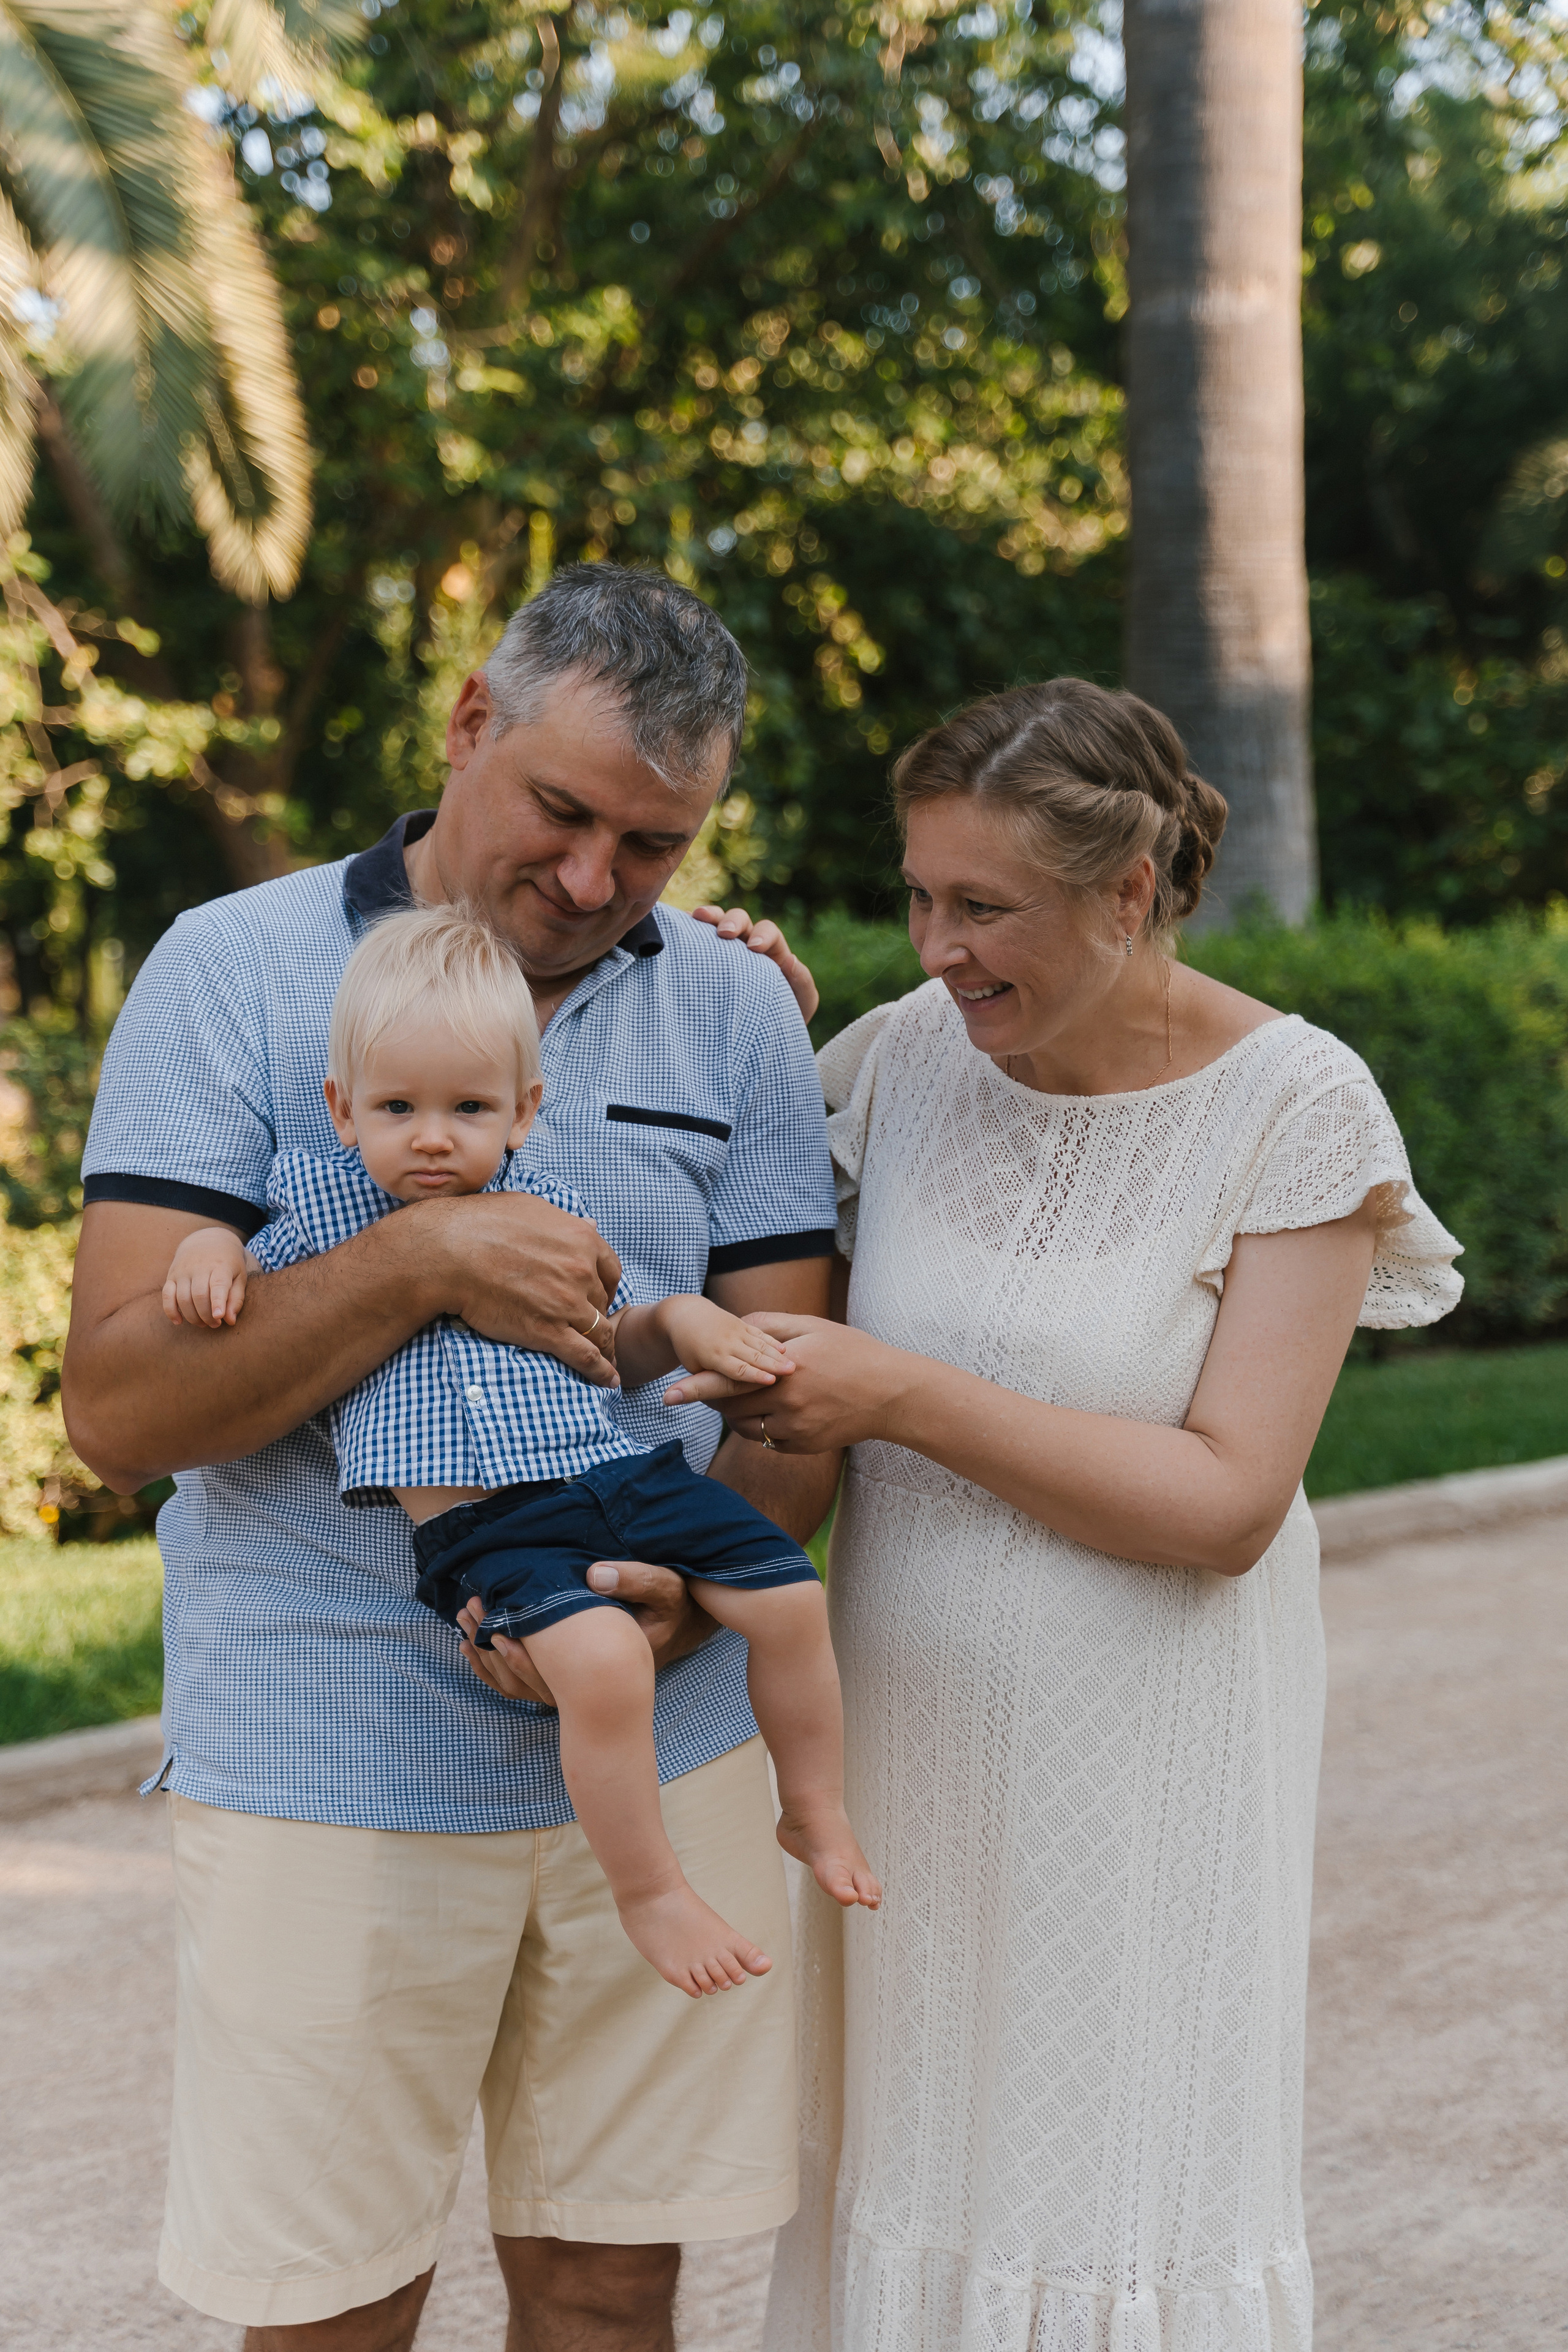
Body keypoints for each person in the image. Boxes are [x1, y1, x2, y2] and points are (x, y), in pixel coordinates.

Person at [62, 565, 842, 2352]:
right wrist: (421, 1256)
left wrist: (683, 1602)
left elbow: (789, 1392)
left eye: (652, 848)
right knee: (333, 2305)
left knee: (608, 2289)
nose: (593, 886)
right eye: (565, 816)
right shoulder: (235, 972)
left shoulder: (734, 1014)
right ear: (469, 729)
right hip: (331, 1759)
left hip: (672, 1742)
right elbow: (114, 1411)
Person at [710, 680, 1464, 2352]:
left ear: (1129, 893)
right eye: (920, 894)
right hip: (900, 1747)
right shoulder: (905, 1055)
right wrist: (724, 998)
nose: (936, 947)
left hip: (1145, 1767)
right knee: (911, 2163)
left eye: (984, 907)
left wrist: (901, 1396)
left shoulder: (1298, 1108)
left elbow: (1226, 1501)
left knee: (1112, 2172)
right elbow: (727, 1187)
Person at [163, 903, 880, 1998]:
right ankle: (653, 1892)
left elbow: (617, 1342)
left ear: (525, 1111)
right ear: (341, 1110)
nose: (435, 1136)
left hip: (613, 1472)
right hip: (487, 1528)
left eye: (469, 1107)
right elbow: (250, 1267)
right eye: (398, 1107)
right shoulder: (324, 1207)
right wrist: (210, 1250)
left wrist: (684, 1323)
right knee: (602, 1663)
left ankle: (815, 1808)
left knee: (787, 1598)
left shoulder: (548, 1207)